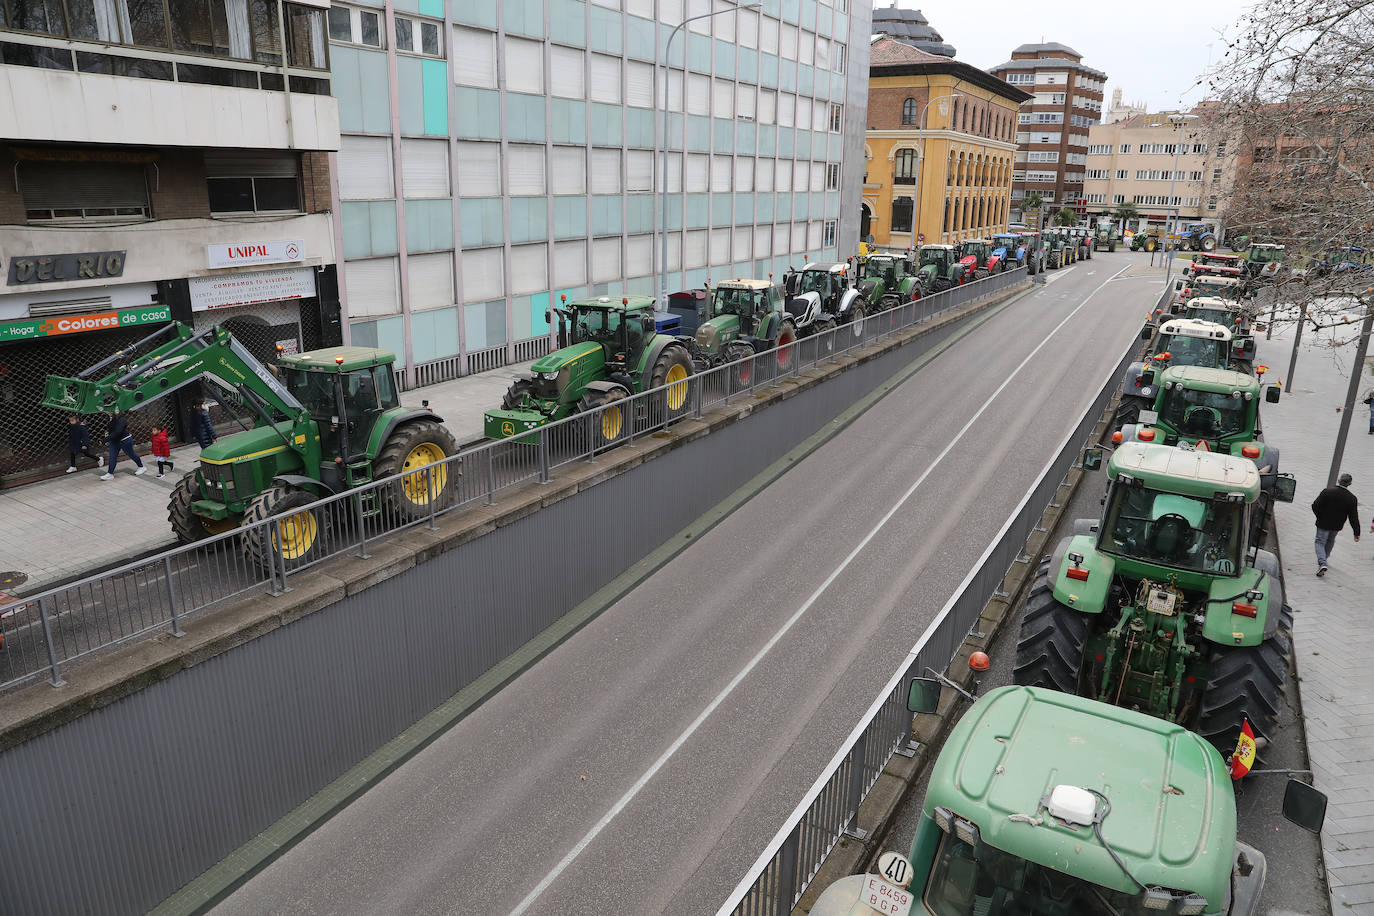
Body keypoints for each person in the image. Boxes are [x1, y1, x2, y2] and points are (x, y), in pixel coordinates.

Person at [1311, 472, 1360, 576]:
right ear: (1350, 484)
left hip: (1323, 523)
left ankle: (1322, 562)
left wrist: (1319, 516)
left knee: (1319, 542)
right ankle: (1325, 558)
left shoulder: (1327, 492)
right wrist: (1357, 532)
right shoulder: (1352, 498)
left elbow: (1315, 505)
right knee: (1330, 540)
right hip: (1337, 526)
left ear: (1339, 480)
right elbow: (1353, 517)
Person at [100, 411, 145, 480]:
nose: (107, 412)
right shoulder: (109, 417)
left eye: (109, 411)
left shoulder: (121, 418)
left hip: (125, 440)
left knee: (131, 454)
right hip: (114, 441)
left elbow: (117, 432)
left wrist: (105, 440)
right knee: (112, 457)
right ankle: (110, 474)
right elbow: (110, 429)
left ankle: (141, 467)